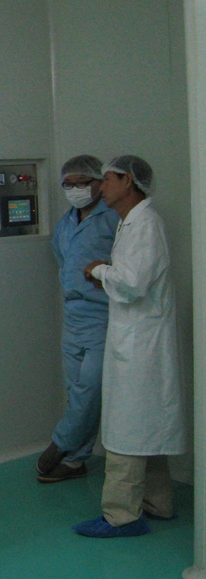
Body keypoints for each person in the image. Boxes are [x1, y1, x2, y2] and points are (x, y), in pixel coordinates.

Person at [74, 155, 186, 538]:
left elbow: (133, 282)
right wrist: (107, 273)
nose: (100, 187)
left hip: (141, 346)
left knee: (128, 426)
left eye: (107, 179)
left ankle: (120, 516)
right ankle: (158, 502)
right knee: (146, 424)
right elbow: (133, 276)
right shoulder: (131, 222)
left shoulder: (145, 224)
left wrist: (98, 270)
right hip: (138, 341)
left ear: (128, 181)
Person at [36, 156, 119, 483]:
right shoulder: (65, 224)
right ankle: (75, 460)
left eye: (82, 183)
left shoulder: (114, 219)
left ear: (99, 182)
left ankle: (62, 442)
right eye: (68, 184)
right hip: (73, 316)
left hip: (103, 314)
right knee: (75, 389)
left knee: (90, 388)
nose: (75, 190)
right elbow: (63, 261)